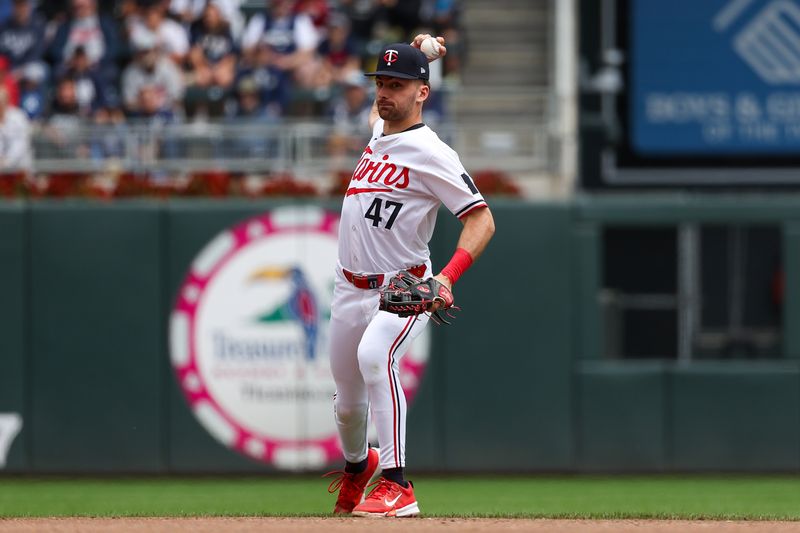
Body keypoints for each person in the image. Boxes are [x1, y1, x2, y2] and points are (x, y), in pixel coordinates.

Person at [325, 35, 495, 517]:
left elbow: (482, 219)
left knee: (375, 355)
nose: (384, 92)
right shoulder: (380, 130)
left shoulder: (431, 151)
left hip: (402, 287)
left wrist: (447, 277)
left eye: (396, 85)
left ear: (422, 93)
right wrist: (427, 55)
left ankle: (398, 484)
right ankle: (359, 467)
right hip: (348, 287)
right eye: (381, 82)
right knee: (345, 406)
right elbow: (405, 79)